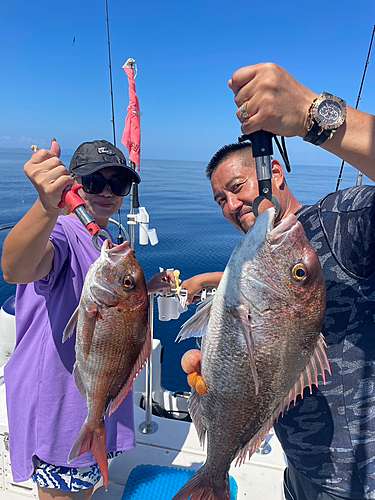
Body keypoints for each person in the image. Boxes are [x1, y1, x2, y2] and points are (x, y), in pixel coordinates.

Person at [180, 63, 375, 500]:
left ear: (276, 174)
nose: (232, 204)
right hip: (298, 473)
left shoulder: (340, 225)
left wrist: (313, 114)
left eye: (237, 186)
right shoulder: (260, 256)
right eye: (220, 199)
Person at [1, 139, 173, 500]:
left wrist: (148, 288)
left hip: (93, 395)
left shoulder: (106, 240)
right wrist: (46, 208)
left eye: (118, 184)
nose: (107, 192)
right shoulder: (61, 231)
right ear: (74, 185)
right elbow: (16, 269)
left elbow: (115, 305)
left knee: (85, 489)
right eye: (94, 182)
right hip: (59, 402)